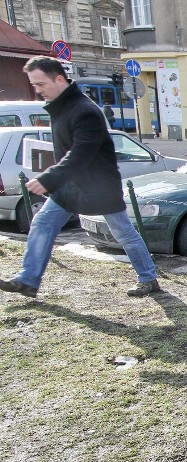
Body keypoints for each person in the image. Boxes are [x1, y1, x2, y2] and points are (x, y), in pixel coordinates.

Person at [0, 56, 160, 300]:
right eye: (34, 85)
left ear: (60, 79)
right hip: (70, 186)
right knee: (42, 223)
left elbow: (80, 154)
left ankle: (148, 277)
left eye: (40, 84)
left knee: (123, 233)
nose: (37, 90)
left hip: (99, 187)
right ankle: (28, 280)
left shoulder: (85, 111)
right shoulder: (62, 107)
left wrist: (49, 178)